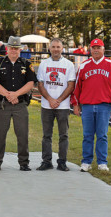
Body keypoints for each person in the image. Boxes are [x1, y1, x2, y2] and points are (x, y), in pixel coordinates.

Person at [71, 38, 111, 172]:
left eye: (98, 47)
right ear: (90, 50)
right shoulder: (84, 65)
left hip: (104, 106)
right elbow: (77, 87)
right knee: (87, 135)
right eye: (93, 48)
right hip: (87, 106)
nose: (95, 50)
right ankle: (86, 161)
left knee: (102, 135)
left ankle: (102, 162)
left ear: (103, 49)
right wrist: (75, 104)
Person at [0, 36, 37, 171]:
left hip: (20, 104)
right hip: (3, 104)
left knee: (22, 134)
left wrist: (16, 94)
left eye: (16, 48)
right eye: (11, 48)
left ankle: (24, 163)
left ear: (20, 50)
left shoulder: (26, 64)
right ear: (7, 48)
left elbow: (30, 83)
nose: (14, 51)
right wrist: (9, 95)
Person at [36, 38, 76, 172]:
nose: (56, 49)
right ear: (49, 48)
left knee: (63, 135)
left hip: (63, 106)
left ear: (62, 48)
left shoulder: (69, 64)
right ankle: (46, 161)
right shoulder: (43, 64)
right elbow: (40, 84)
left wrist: (58, 100)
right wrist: (50, 99)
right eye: (53, 47)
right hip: (46, 105)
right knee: (46, 135)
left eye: (58, 47)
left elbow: (71, 85)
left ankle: (62, 162)